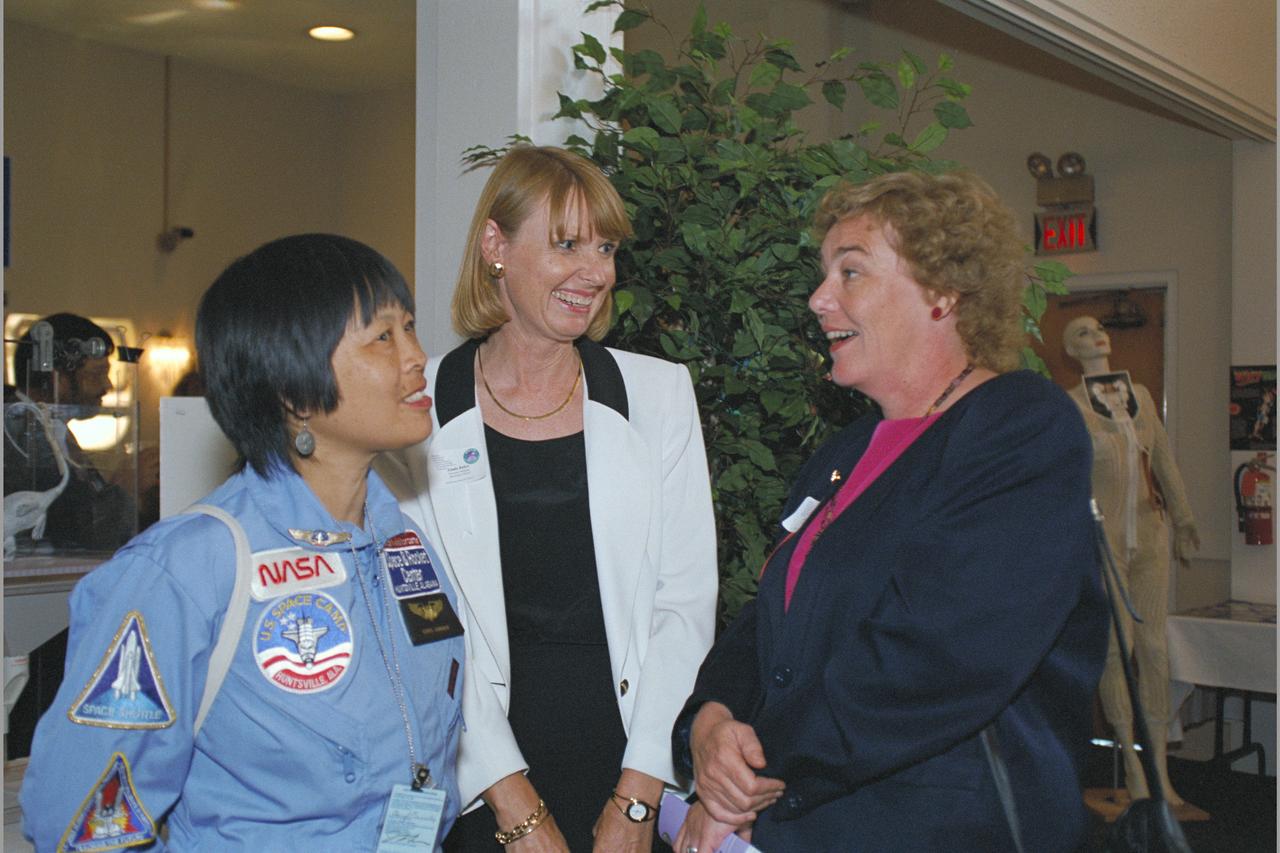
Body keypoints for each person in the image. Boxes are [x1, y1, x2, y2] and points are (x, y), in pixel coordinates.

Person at [671, 171, 1108, 852]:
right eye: (823, 276)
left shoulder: (1020, 429)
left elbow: (939, 657)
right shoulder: (842, 453)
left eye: (851, 273)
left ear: (942, 291)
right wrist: (709, 721)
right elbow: (769, 623)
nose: (819, 300)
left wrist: (755, 770)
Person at [21, 234, 466, 850]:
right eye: (383, 337)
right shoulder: (185, 571)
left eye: (411, 328)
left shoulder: (401, 545)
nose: (417, 356)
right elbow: (82, 822)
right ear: (294, 390)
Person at [378, 145, 717, 851]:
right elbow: (423, 623)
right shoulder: (414, 409)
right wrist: (512, 802)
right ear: (495, 246)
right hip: (476, 775)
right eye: (567, 245)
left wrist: (638, 794)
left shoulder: (657, 394)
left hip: (632, 764)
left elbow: (684, 606)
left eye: (606, 247)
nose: (596, 272)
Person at [1063, 314, 1200, 806]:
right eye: (1081, 332)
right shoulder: (1073, 406)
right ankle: (1134, 769)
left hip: (1151, 535)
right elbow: (1068, 477)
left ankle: (1161, 771)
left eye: (1098, 328)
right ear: (1071, 351)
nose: (1095, 335)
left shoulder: (1138, 393)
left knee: (1155, 651)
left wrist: (1183, 517)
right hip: (1105, 544)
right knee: (1115, 651)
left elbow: (1161, 457)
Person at [4, 312, 157, 551]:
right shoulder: (15, 434)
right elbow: (63, 531)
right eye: (96, 374)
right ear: (56, 378)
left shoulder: (51, 428)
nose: (107, 385)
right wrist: (124, 489)